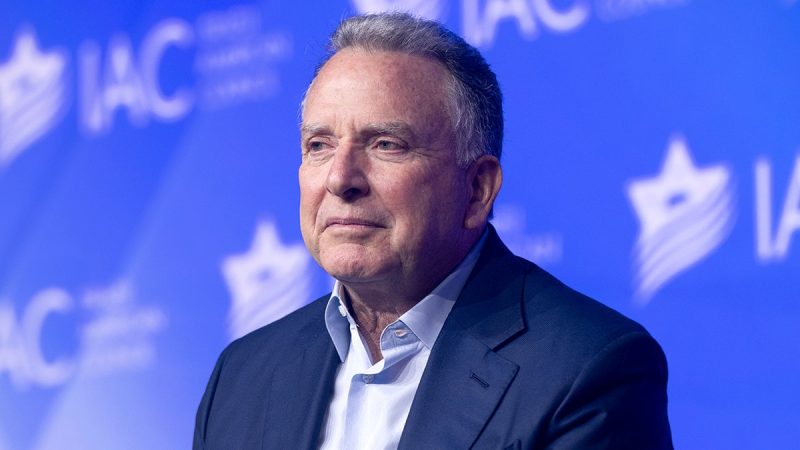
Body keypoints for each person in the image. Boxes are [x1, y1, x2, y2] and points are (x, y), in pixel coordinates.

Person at [194, 12, 672, 450]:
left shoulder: (586, 369)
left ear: (477, 189)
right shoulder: (242, 377)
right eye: (319, 145)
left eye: (386, 144)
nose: (340, 179)